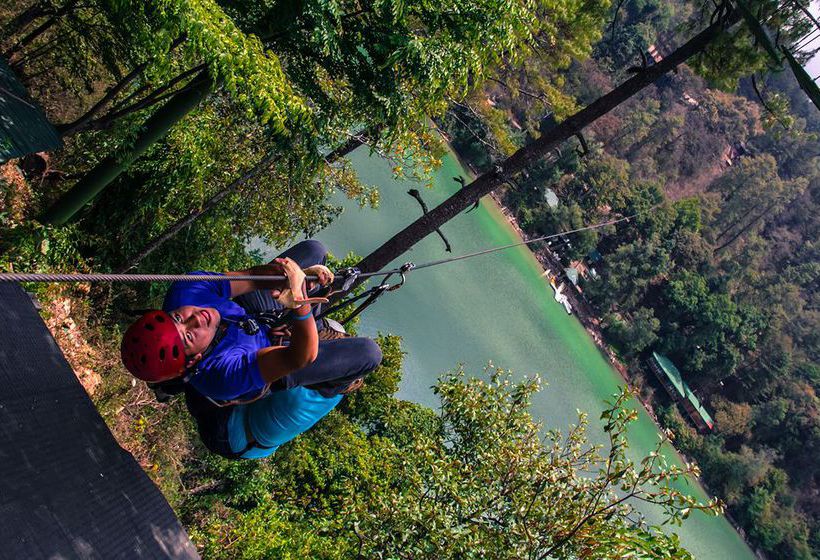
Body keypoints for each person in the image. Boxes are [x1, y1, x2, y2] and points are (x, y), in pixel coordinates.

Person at [120, 240, 383, 459]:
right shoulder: (222, 372)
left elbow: (250, 277)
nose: (197, 317)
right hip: (227, 429)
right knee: (367, 354)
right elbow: (300, 356)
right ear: (196, 358)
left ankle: (174, 378)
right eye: (189, 335)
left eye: (178, 318)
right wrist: (299, 301)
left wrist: (290, 276)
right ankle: (177, 384)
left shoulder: (187, 292)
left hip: (249, 325)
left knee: (314, 250)